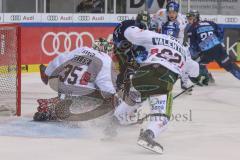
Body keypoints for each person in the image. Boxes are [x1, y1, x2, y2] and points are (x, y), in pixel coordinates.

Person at [111, 20, 201, 153]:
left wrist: (120, 35)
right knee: (163, 117)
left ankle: (111, 124)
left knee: (135, 100)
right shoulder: (183, 50)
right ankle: (148, 135)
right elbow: (195, 71)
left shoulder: (153, 36)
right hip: (163, 79)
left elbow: (129, 32)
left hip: (141, 75)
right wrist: (197, 78)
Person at [33, 39, 117, 121]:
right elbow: (108, 90)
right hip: (82, 99)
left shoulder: (80, 50)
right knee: (111, 98)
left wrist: (47, 72)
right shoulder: (105, 60)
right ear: (106, 51)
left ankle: (56, 106)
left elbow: (56, 62)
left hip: (63, 92)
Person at [186, 10, 240, 82]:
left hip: (207, 53)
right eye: (188, 18)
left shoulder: (191, 29)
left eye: (190, 18)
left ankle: (208, 78)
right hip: (219, 49)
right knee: (230, 66)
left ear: (196, 18)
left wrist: (198, 52)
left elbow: (193, 47)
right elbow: (220, 33)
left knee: (196, 64)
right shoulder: (210, 23)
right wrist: (216, 42)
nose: (189, 20)